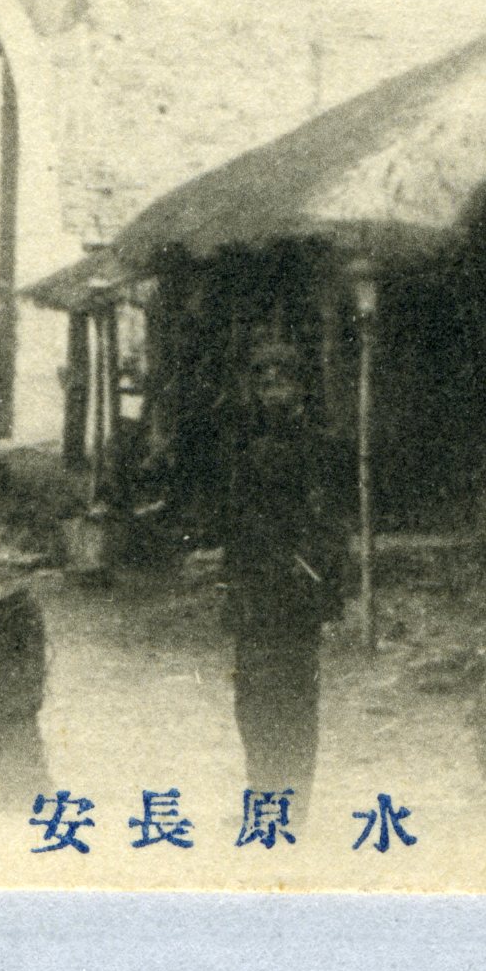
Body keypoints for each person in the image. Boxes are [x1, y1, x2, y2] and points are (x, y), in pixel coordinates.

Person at [223, 329, 346, 806]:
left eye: (283, 380)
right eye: (263, 381)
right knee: (251, 705)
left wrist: (314, 574)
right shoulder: (243, 444)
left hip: (295, 594)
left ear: (302, 387)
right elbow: (235, 521)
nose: (273, 389)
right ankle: (263, 799)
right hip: (252, 595)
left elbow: (329, 523)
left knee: (293, 705)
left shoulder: (321, 446)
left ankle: (292, 809)